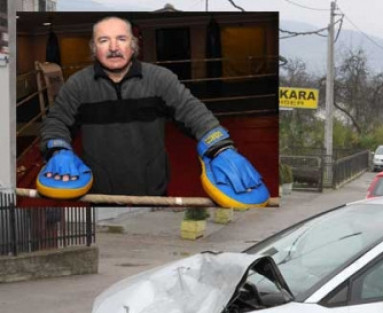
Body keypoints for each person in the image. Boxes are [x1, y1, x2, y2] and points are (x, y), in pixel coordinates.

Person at [37, 15, 267, 207]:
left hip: (153, 192)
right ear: (94, 48)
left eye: (121, 39)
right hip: (99, 195)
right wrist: (58, 150)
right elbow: (56, 120)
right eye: (104, 40)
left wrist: (221, 147)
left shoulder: (160, 79)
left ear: (133, 45)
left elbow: (192, 111)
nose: (114, 47)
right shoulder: (78, 84)